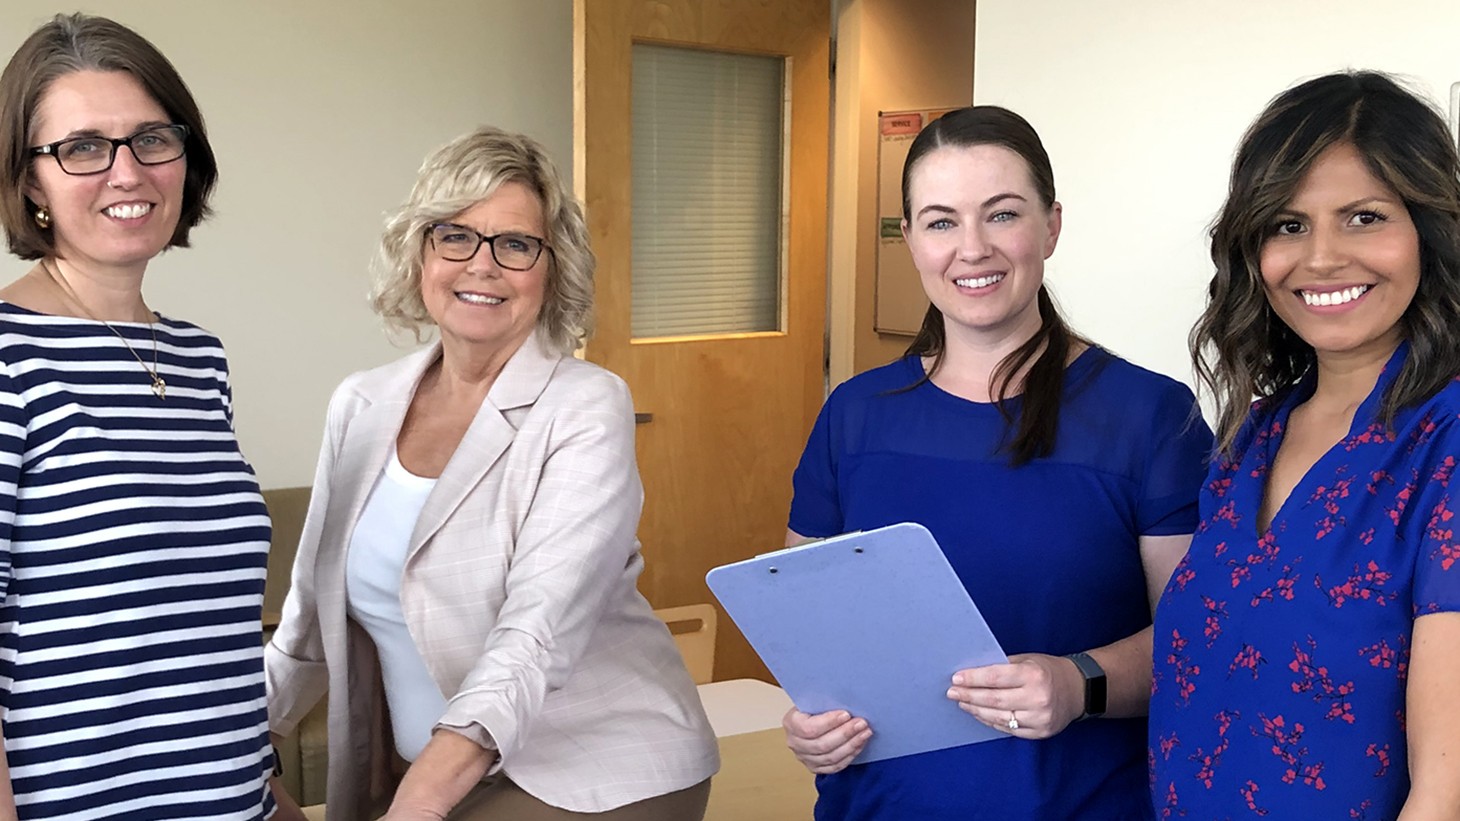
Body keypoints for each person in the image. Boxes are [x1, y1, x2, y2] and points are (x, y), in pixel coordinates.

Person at [264, 126, 719, 821]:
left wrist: (412, 810)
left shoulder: (585, 407)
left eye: (515, 244)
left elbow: (533, 635)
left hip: (593, 765)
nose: (483, 265)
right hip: (431, 770)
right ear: (420, 252)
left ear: (551, 267)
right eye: (455, 236)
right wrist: (225, 752)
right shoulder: (360, 403)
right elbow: (305, 622)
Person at [780, 105, 1212, 819]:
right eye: (941, 221)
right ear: (912, 238)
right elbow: (811, 635)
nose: (971, 248)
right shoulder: (855, 415)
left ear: (1051, 225)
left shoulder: (1151, 416)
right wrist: (814, 724)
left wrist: (1081, 683)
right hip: (878, 804)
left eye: (1002, 214)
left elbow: (1199, 638)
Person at [1151, 71, 1460, 819]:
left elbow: (1443, 790)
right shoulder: (1248, 442)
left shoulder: (1445, 443)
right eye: (1287, 224)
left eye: (1363, 217)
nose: (1320, 258)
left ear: (1429, 228)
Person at [0, 12, 278, 820]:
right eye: (82, 147)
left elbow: (200, 641)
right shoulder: (9, 357)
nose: (127, 172)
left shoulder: (200, 361)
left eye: (153, 138)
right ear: (29, 181)